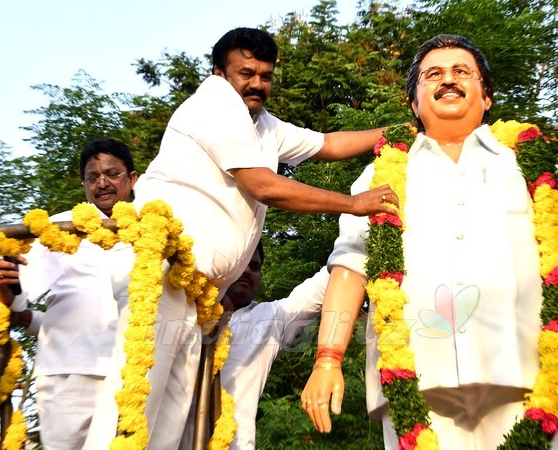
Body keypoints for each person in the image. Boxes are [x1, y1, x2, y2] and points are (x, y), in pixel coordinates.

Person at [301, 34, 558, 448]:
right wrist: (327, 358)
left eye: (462, 72)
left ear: (486, 96)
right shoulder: (377, 176)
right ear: (414, 104)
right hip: (414, 386)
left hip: (523, 378)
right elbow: (350, 267)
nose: (448, 81)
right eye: (432, 74)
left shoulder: (532, 166)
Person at [90, 27, 400, 449]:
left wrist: (401, 133)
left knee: (165, 426)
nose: (257, 83)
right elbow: (264, 186)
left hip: (198, 295)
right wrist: (353, 202)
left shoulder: (263, 125)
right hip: (159, 274)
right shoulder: (214, 104)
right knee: (129, 409)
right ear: (219, 73)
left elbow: (328, 144)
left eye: (266, 75)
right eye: (246, 72)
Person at [0, 138, 138, 450]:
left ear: (132, 179)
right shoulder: (60, 229)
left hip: (133, 375)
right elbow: (14, 302)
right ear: (84, 184)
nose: (103, 183)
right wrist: (6, 285)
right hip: (67, 373)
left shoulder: (152, 228)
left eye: (113, 174)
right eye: (93, 177)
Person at [181, 240, 330, 449]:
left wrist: (362, 230)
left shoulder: (269, 319)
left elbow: (325, 283)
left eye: (255, 267)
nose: (248, 272)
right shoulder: (182, 307)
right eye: (242, 264)